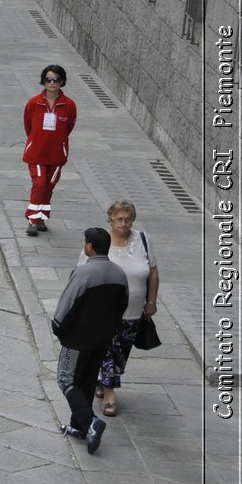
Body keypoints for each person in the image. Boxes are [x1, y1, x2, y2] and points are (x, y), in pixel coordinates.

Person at [53, 227, 129, 455]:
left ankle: (90, 422)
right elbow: (122, 305)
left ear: (89, 247)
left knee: (66, 379)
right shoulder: (119, 274)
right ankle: (78, 427)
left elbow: (67, 303)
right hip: (103, 338)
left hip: (78, 339)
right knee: (86, 381)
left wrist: (58, 327)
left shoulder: (83, 272)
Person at [88, 201, 160, 416]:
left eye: (128, 219)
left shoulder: (143, 240)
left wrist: (151, 302)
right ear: (110, 219)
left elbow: (153, 273)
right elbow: (83, 274)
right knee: (111, 349)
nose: (124, 223)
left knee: (122, 351)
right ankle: (110, 394)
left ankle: (102, 381)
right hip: (104, 312)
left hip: (134, 311)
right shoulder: (100, 241)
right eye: (119, 219)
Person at [22, 65, 78, 236]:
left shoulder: (69, 105)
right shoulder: (34, 102)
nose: (52, 83)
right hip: (37, 153)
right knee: (39, 183)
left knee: (48, 186)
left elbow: (69, 126)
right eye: (48, 79)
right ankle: (32, 220)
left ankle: (41, 217)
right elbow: (28, 125)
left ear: (62, 82)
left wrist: (59, 142)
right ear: (43, 81)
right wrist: (36, 141)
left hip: (56, 155)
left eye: (56, 79)